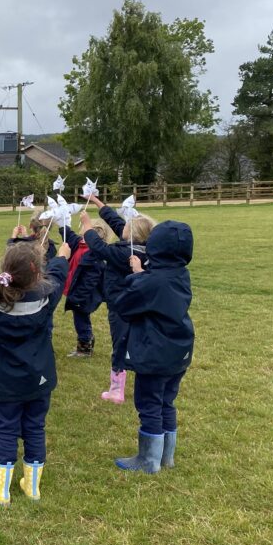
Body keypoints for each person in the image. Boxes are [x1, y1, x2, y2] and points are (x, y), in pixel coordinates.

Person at [0, 239, 71, 505]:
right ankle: (31, 487)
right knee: (35, 427)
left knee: (6, 429)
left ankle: (4, 490)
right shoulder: (47, 298)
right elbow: (58, 276)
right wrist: (61, 256)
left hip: (6, 382)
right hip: (38, 380)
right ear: (37, 274)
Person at [112, 221, 194, 474]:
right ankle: (165, 456)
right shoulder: (180, 273)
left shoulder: (151, 281)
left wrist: (136, 277)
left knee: (149, 403)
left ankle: (148, 460)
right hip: (179, 349)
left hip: (155, 352)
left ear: (154, 248)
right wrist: (142, 275)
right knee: (166, 402)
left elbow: (124, 306)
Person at [79, 197, 155, 403]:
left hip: (121, 305)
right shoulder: (141, 245)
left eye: (127, 227)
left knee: (120, 343)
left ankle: (116, 390)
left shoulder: (123, 253)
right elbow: (117, 222)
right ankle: (142, 381)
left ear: (132, 235)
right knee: (137, 342)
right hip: (138, 305)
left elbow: (99, 248)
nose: (123, 227)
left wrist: (87, 226)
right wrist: (97, 201)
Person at [59, 222, 108, 358]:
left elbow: (89, 281)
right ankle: (85, 343)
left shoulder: (93, 256)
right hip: (77, 292)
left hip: (83, 296)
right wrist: (63, 223)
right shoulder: (81, 245)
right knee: (80, 319)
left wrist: (78, 297)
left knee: (81, 320)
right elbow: (70, 236)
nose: (81, 236)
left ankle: (85, 347)